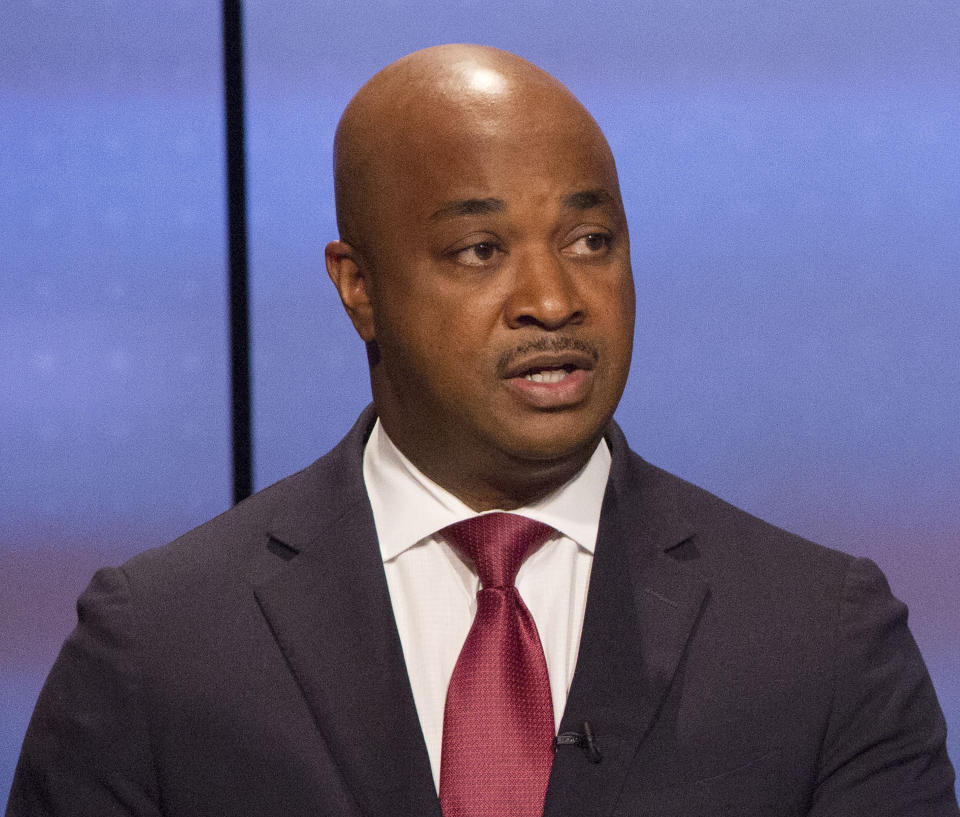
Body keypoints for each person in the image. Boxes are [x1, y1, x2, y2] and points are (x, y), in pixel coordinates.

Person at [6, 44, 957, 817]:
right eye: (480, 250)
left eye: (592, 242)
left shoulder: (821, 635)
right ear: (359, 286)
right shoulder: (162, 645)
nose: (553, 299)